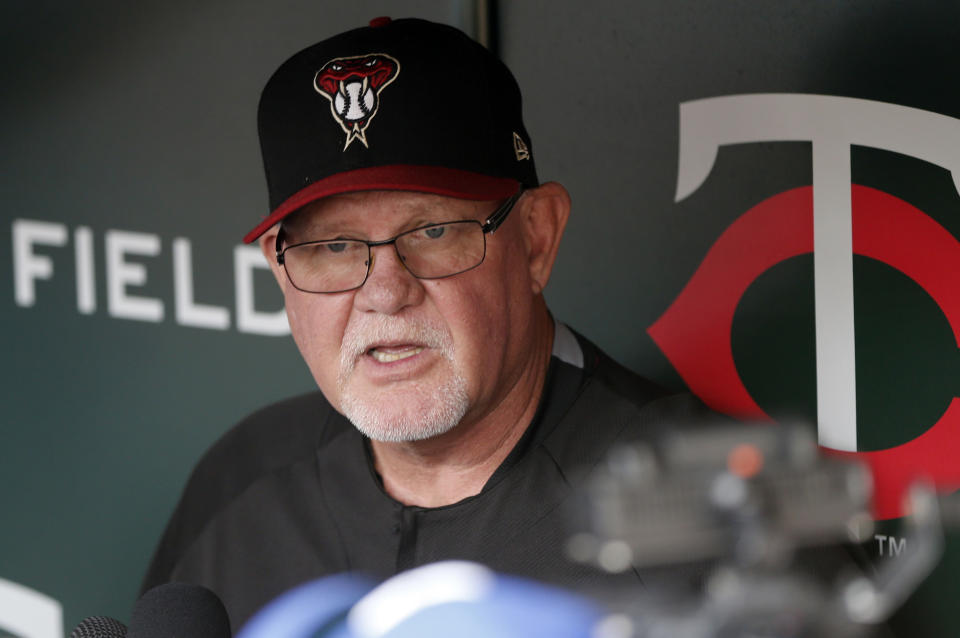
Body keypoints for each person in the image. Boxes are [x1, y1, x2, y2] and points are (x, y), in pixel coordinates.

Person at [141, 17, 704, 629]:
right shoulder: (241, 481)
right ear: (280, 270)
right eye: (333, 247)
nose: (384, 293)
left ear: (537, 239)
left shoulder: (697, 518)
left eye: (434, 232)